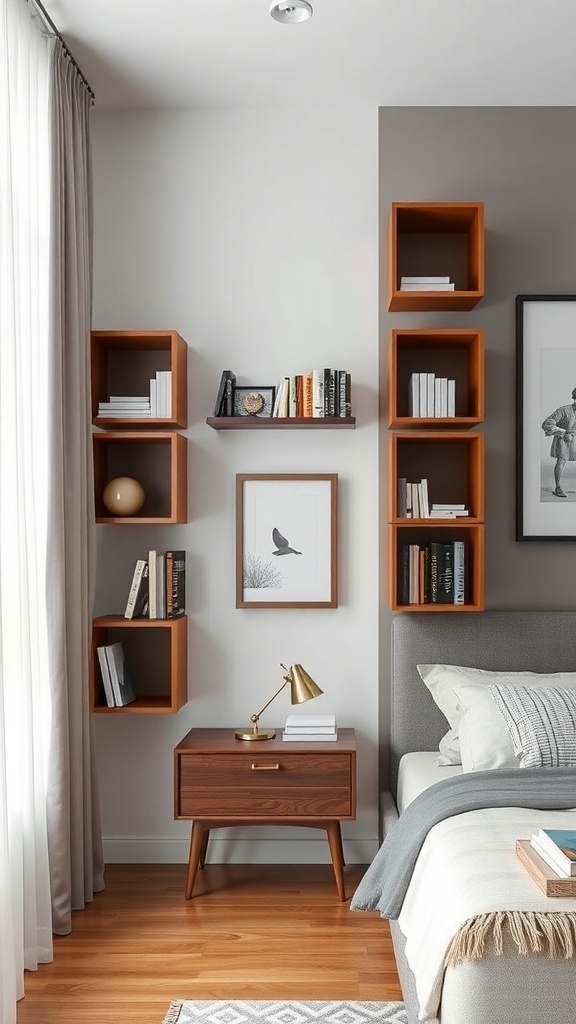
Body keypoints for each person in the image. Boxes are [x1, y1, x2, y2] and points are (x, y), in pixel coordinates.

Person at [541, 387, 576, 497]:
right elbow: (547, 424)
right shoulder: (564, 410)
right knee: (561, 461)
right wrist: (564, 433)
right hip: (564, 440)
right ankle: (558, 486)